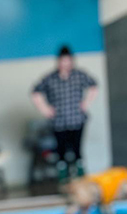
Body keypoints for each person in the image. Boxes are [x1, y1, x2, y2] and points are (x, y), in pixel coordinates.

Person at [31, 45, 98, 179]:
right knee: (61, 151)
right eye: (63, 60)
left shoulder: (79, 75)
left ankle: (80, 175)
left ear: (71, 61)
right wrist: (45, 109)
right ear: (58, 61)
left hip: (77, 119)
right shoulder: (50, 78)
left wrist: (86, 103)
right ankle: (64, 177)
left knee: (77, 150)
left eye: (68, 60)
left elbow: (94, 86)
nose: (65, 63)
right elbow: (35, 92)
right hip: (59, 122)